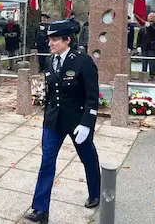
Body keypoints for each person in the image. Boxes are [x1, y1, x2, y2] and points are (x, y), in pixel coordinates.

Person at [24, 19, 101, 223]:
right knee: (46, 163)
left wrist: (87, 124)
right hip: (53, 122)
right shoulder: (50, 61)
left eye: (55, 40)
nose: (50, 44)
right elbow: (51, 93)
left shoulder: (83, 61)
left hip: (77, 122)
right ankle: (41, 210)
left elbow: (92, 97)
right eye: (49, 39)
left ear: (67, 40)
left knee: (88, 158)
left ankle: (95, 193)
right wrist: (46, 116)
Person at [136, 13, 155, 81]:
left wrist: (149, 26)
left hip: (152, 46)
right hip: (144, 47)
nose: (151, 18)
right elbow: (139, 37)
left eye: (153, 16)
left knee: (152, 61)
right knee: (144, 62)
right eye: (150, 16)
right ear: (147, 17)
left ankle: (152, 76)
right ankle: (143, 75)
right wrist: (138, 46)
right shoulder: (143, 27)